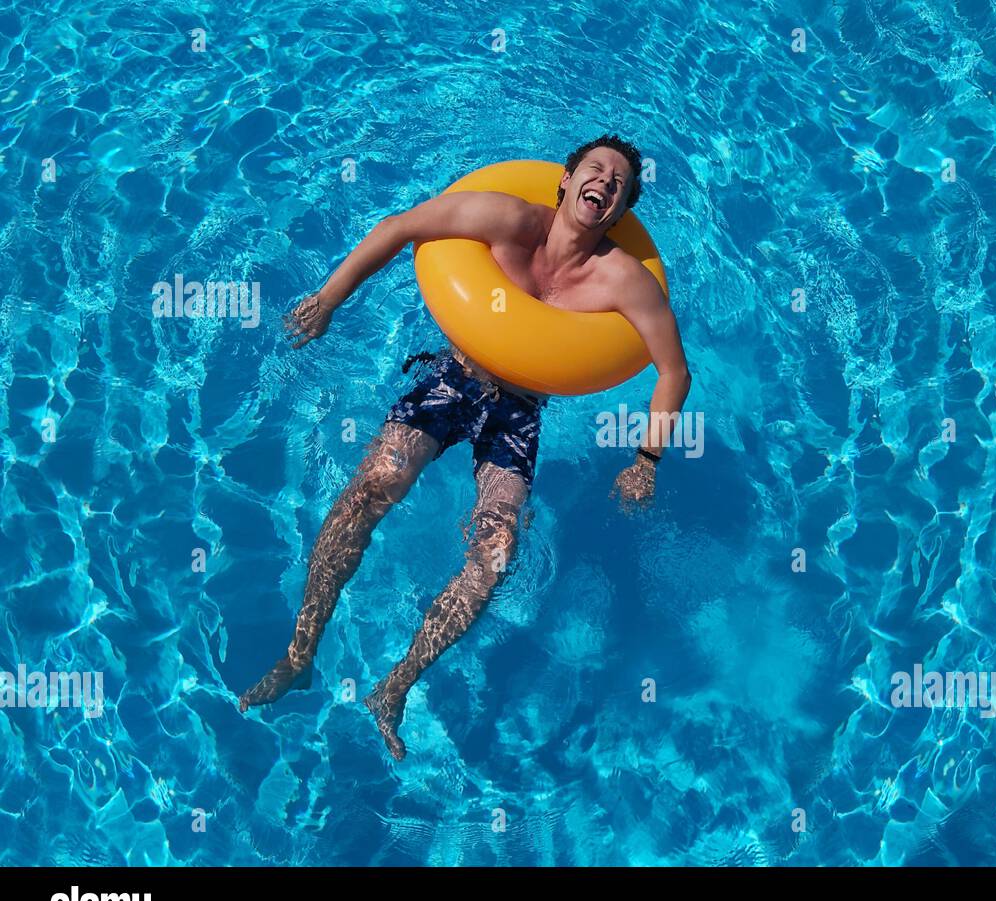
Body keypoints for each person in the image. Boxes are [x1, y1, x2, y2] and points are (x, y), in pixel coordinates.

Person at [238, 136, 691, 760]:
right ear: (566, 180)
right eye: (597, 171)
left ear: (622, 208)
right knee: (370, 492)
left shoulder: (624, 280)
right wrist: (328, 301)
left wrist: (646, 460)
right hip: (454, 378)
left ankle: (393, 688)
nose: (606, 184)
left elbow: (674, 372)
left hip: (521, 413)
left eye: (619, 183)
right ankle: (300, 655)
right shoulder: (507, 220)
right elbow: (400, 227)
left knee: (495, 553)